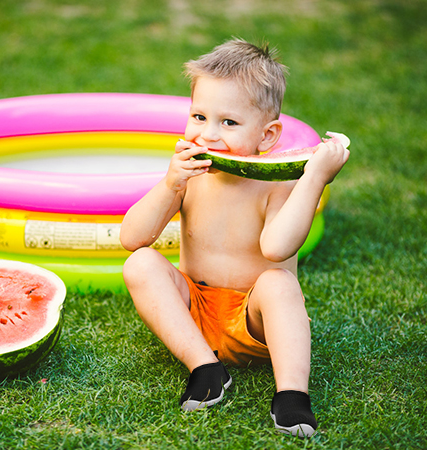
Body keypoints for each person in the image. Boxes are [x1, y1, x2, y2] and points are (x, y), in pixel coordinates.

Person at [120, 38, 349, 438]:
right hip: (195, 314)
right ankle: (204, 367)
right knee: (140, 264)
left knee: (278, 282)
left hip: (255, 319)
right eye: (198, 116)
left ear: (267, 136)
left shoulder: (277, 183)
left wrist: (314, 176)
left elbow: (277, 248)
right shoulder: (188, 176)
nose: (207, 135)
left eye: (228, 123)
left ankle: (292, 395)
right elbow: (132, 237)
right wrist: (170, 185)